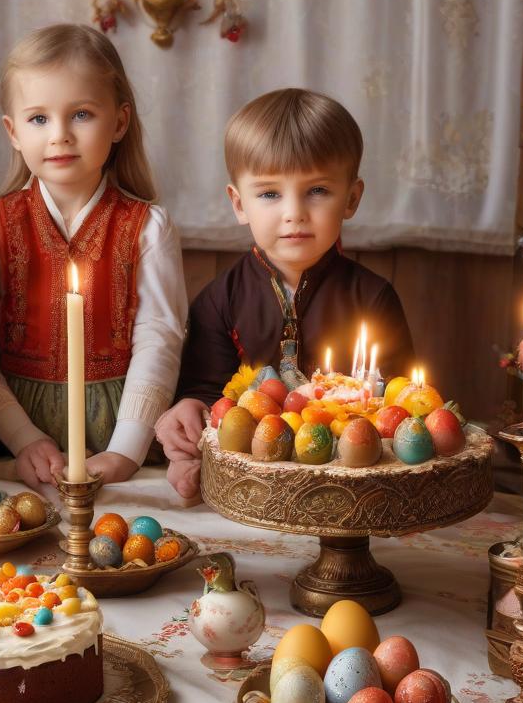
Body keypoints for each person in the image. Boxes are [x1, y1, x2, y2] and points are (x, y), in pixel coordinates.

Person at [155, 88, 414, 499]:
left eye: (317, 191)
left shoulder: (373, 298)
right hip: (254, 486)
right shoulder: (219, 300)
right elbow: (206, 394)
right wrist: (188, 414)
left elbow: (403, 407)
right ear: (239, 204)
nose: (294, 212)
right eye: (270, 193)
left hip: (350, 485)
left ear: (351, 198)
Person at [0, 23, 187, 489]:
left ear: (119, 123)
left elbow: (158, 340)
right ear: (12, 131)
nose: (60, 135)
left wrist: (125, 450)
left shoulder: (148, 227)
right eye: (39, 119)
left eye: (82, 114)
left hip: (121, 427)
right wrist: (23, 438)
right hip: (7, 436)